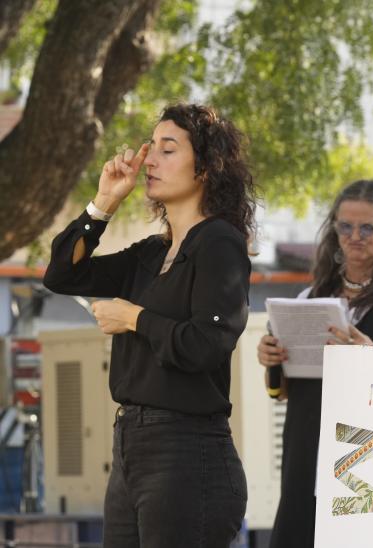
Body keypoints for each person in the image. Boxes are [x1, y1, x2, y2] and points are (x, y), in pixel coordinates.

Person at [43, 104, 255, 548]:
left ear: (206, 167)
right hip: (131, 445)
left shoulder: (220, 243)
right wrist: (104, 203)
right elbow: (63, 275)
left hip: (187, 451)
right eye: (151, 147)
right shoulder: (151, 254)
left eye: (168, 149)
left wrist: (134, 318)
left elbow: (206, 345)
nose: (149, 160)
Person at [257, 179, 373, 547]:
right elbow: (283, 393)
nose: (354, 236)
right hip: (307, 450)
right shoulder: (310, 297)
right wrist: (272, 359)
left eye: (366, 227)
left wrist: (371, 357)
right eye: (345, 226)